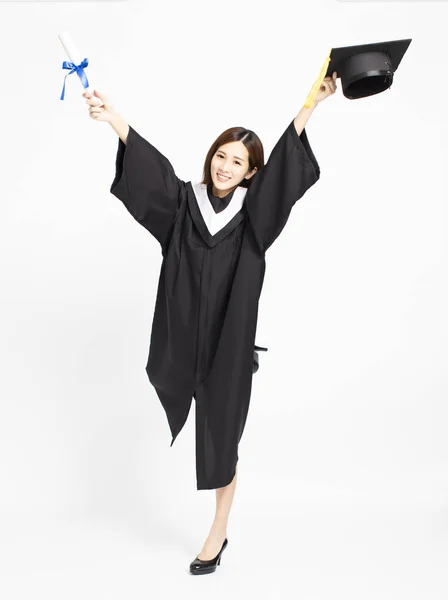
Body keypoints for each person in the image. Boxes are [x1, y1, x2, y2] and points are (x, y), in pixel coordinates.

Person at [83, 70, 337, 574]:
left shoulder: (255, 216)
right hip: (182, 340)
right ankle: (218, 525)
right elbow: (151, 174)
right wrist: (115, 121)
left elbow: (285, 165)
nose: (225, 165)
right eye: (221, 154)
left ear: (250, 173)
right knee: (203, 422)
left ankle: (218, 530)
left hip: (228, 346)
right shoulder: (183, 205)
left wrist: (312, 105)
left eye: (238, 161)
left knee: (222, 438)